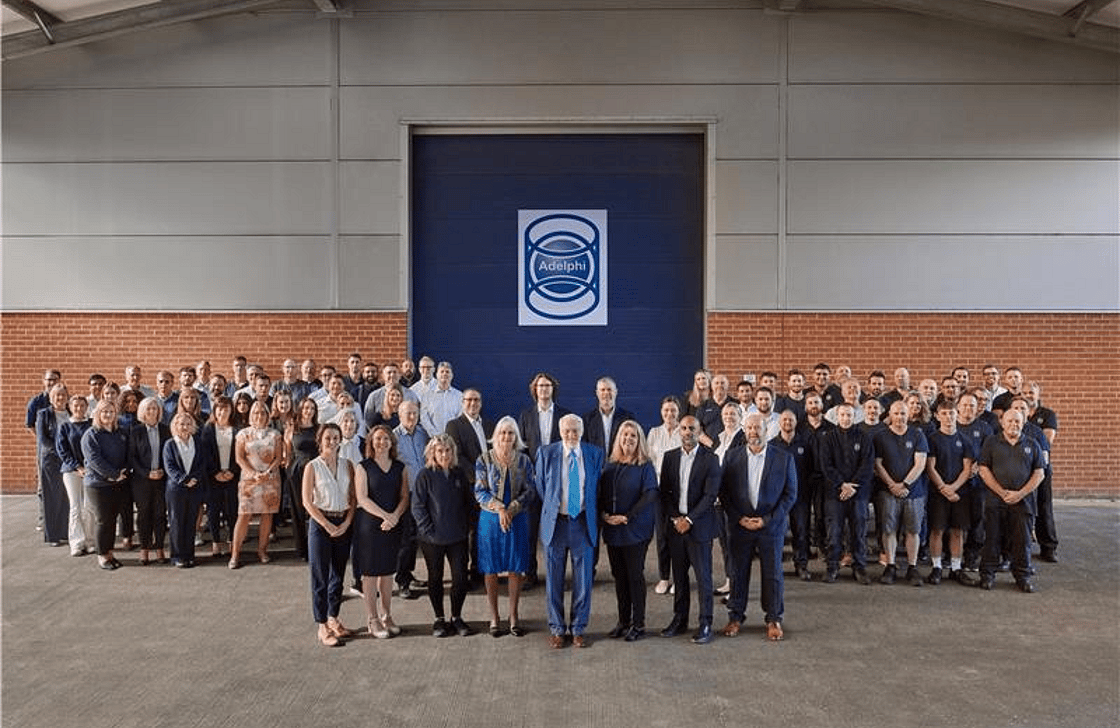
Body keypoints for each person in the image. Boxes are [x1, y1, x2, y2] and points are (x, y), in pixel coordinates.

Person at [720, 413, 798, 641]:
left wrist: (767, 520)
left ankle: (774, 618)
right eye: (750, 428)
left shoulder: (783, 458)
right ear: (744, 430)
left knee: (773, 574)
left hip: (770, 526)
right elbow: (723, 492)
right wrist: (738, 517)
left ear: (767, 430)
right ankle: (735, 616)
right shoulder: (732, 456)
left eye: (758, 428)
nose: (753, 432)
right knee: (737, 572)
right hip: (740, 525)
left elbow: (790, 495)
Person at [534, 414, 604, 648]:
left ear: (581, 432)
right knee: (554, 579)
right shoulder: (546, 453)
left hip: (582, 523)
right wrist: (557, 509)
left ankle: (578, 628)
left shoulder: (594, 454)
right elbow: (543, 488)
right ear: (560, 431)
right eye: (567, 431)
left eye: (575, 431)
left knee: (583, 580)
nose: (571, 435)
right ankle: (557, 628)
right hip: (556, 524)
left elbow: (597, 489)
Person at [658, 415, 721, 645]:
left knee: (704, 578)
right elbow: (664, 493)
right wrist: (676, 518)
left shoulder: (711, 459)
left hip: (699, 527)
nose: (687, 432)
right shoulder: (670, 458)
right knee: (680, 577)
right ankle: (680, 619)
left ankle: (706, 622)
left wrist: (690, 520)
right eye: (683, 428)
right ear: (679, 431)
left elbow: (710, 495)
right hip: (676, 528)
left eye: (692, 428)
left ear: (700, 431)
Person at [474, 416, 536, 638]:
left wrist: (512, 509)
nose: (506, 437)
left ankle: (513, 615)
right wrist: (500, 509)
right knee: (490, 568)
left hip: (517, 518)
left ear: (516, 437)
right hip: (490, 520)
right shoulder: (484, 459)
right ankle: (494, 616)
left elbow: (531, 490)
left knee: (515, 567)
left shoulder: (524, 461)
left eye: (511, 433)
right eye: (503, 433)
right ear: (496, 435)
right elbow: (479, 491)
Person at [598, 420, 658, 642]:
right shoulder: (610, 465)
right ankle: (623, 622)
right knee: (619, 577)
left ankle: (639, 624)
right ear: (618, 439)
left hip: (635, 530)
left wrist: (628, 516)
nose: (628, 439)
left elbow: (650, 494)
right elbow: (601, 495)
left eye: (633, 436)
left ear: (639, 440)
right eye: (625, 435)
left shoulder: (645, 466)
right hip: (613, 530)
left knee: (634, 577)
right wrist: (604, 515)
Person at [412, 434, 475, 638]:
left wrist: (467, 526)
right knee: (435, 578)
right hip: (432, 539)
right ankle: (439, 619)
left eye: (448, 450)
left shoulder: (459, 474)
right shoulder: (424, 475)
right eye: (440, 450)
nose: (444, 454)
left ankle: (456, 617)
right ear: (432, 453)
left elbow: (469, 503)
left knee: (460, 578)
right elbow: (418, 507)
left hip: (457, 537)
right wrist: (429, 530)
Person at [977, 408, 1045, 592]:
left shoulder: (1032, 444)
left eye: (1018, 421)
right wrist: (1001, 492)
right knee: (992, 539)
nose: (1014, 424)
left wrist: (1020, 494)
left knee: (1022, 541)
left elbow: (1039, 473)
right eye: (1010, 421)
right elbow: (983, 470)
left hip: (1023, 503)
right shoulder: (991, 442)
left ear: (1023, 423)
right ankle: (987, 575)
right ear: (1002, 422)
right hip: (995, 501)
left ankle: (1022, 577)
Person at [302, 423, 357, 646]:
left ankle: (333, 618)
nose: (332, 442)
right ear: (320, 440)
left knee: (338, 574)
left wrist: (346, 523)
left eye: (336, 438)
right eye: (328, 438)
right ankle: (322, 625)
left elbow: (353, 498)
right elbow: (307, 500)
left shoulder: (348, 465)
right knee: (320, 576)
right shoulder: (312, 467)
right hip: (320, 523)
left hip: (343, 521)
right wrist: (326, 524)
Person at [354, 425, 410, 639]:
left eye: (386, 438)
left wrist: (394, 516)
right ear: (371, 442)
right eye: (378, 438)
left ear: (391, 443)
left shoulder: (400, 467)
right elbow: (362, 498)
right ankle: (372, 619)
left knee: (387, 573)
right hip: (370, 526)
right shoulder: (363, 467)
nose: (382, 442)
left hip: (392, 525)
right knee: (370, 574)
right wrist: (386, 516)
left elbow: (404, 496)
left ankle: (386, 615)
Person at [517, 371, 571, 589]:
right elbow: (521, 450)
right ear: (534, 390)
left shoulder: (564, 415)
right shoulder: (526, 416)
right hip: (532, 483)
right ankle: (530, 573)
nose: (544, 389)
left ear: (553, 389)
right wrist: (530, 474)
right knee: (530, 531)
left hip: (558, 484)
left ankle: (556, 575)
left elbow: (570, 448)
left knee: (556, 532)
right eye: (540, 386)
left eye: (547, 385)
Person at [874, 401, 930, 586]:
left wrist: (904, 484)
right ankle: (890, 565)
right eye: (896, 413)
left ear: (908, 415)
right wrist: (892, 485)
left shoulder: (917, 435)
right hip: (887, 492)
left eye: (903, 414)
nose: (899, 417)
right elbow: (878, 464)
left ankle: (912, 567)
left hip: (913, 492)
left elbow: (920, 463)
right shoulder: (880, 436)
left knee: (913, 530)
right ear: (890, 414)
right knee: (889, 529)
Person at [819, 403, 874, 584]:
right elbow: (826, 466)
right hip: (834, 493)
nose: (846, 418)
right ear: (837, 416)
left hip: (858, 493)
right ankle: (832, 566)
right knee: (834, 531)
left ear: (855, 416)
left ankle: (860, 567)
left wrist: (852, 486)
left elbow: (867, 465)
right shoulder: (828, 438)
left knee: (858, 531)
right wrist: (842, 484)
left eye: (849, 415)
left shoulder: (864, 437)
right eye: (842, 415)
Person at [924, 399, 977, 585]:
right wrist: (943, 488)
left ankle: (956, 568)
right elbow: (930, 467)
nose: (948, 417)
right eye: (944, 414)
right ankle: (937, 567)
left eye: (952, 414)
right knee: (937, 530)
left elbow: (967, 468)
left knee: (957, 531)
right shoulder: (931, 439)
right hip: (938, 492)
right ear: (938, 416)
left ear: (957, 415)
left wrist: (953, 488)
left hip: (959, 493)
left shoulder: (965, 440)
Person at [445, 388, 493, 585]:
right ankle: (464, 574)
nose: (473, 404)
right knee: (469, 531)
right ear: (462, 403)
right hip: (469, 486)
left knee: (484, 531)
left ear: (481, 403)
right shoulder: (454, 425)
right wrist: (480, 478)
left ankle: (480, 570)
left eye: (476, 400)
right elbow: (458, 456)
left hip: (490, 487)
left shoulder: (489, 425)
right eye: (469, 400)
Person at [231, 401, 286, 568]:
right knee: (244, 515)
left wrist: (267, 472)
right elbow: (239, 458)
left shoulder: (275, 434)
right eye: (255, 412)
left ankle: (262, 551)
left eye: (263, 412)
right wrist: (254, 473)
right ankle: (235, 554)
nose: (259, 415)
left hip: (270, 479)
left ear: (268, 415)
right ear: (250, 415)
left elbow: (278, 457)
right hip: (249, 480)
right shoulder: (242, 434)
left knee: (267, 514)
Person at [81, 400, 130, 570]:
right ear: (97, 414)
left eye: (111, 412)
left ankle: (110, 553)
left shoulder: (120, 433)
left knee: (111, 520)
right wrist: (113, 475)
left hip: (117, 484)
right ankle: (102, 556)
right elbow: (95, 460)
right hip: (98, 484)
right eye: (104, 412)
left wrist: (122, 473)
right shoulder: (91, 435)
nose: (108, 415)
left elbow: (127, 455)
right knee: (103, 520)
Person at [392, 400, 428, 600]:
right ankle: (402, 581)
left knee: (416, 537)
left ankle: (409, 573)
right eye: (408, 414)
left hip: (423, 494)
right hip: (405, 494)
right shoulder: (394, 437)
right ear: (400, 415)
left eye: (415, 413)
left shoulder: (423, 434)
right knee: (405, 538)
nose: (412, 417)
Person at [646, 395, 682, 595]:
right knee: (662, 536)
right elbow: (649, 462)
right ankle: (664, 577)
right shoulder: (654, 433)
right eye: (666, 410)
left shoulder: (684, 432)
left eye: (673, 410)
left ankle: (679, 577)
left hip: (679, 491)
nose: (670, 414)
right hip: (659, 492)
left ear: (679, 412)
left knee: (679, 536)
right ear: (661, 412)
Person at [128, 397, 170, 565]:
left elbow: (170, 454)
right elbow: (132, 458)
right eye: (149, 409)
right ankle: (144, 549)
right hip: (141, 480)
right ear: (143, 412)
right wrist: (147, 473)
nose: (152, 411)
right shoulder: (135, 431)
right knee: (144, 515)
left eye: (155, 408)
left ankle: (160, 548)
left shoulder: (166, 430)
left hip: (161, 479)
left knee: (160, 515)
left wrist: (163, 471)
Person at [163, 412, 206, 568]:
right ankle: (177, 556)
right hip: (176, 489)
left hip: (194, 488)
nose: (185, 427)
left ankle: (189, 554)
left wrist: (194, 478)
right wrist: (184, 479)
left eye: (188, 424)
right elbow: (170, 467)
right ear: (175, 426)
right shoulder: (170, 444)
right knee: (177, 522)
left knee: (190, 522)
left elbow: (202, 463)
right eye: (181, 424)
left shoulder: (197, 442)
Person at [201, 396, 240, 558]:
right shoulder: (209, 429)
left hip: (232, 476)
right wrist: (215, 472)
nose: (222, 412)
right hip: (213, 477)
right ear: (214, 411)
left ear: (231, 410)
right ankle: (216, 542)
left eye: (226, 408)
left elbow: (241, 453)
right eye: (219, 409)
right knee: (213, 510)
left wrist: (232, 470)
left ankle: (232, 541)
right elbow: (205, 454)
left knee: (232, 510)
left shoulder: (237, 429)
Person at [1024, 382, 1059, 562]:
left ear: (1038, 394)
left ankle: (1048, 547)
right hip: (1019, 469)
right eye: (1025, 392)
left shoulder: (1047, 414)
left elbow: (1046, 439)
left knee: (1044, 506)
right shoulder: (1017, 413)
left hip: (1040, 467)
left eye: (1032, 392)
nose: (1028, 395)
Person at [56, 394, 95, 556]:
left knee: (90, 508)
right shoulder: (64, 427)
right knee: (75, 507)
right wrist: (77, 467)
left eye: (82, 405)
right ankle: (77, 543)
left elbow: (95, 447)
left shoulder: (92, 425)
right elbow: (62, 451)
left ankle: (90, 541)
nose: (79, 408)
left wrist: (89, 467)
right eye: (75, 406)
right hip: (71, 472)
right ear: (70, 408)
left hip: (90, 471)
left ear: (87, 407)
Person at [35, 383, 70, 546]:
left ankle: (64, 532)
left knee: (65, 498)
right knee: (52, 498)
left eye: (63, 395)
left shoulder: (71, 413)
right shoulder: (44, 414)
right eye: (57, 395)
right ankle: (53, 536)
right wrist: (63, 453)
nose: (60, 398)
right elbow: (44, 440)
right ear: (51, 398)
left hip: (69, 463)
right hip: (51, 462)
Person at [285, 397, 320, 561]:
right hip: (297, 471)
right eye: (305, 407)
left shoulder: (320, 429)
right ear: (300, 410)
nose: (308, 411)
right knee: (298, 509)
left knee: (316, 507)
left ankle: (317, 545)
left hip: (316, 470)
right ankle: (302, 549)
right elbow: (287, 451)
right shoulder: (293, 428)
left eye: (312, 408)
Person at [583, 376, 636, 454]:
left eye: (609, 389)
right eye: (603, 390)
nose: (606, 393)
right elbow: (584, 447)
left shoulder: (627, 417)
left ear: (616, 392)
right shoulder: (587, 419)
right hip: (595, 465)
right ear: (597, 393)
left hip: (620, 464)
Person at [420, 361, 462, 437]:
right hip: (433, 439)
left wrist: (452, 434)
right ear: (436, 375)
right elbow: (424, 418)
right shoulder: (427, 396)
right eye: (442, 371)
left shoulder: (459, 396)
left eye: (447, 372)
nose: (444, 374)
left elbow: (460, 418)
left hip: (453, 438)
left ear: (452, 375)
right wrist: (436, 435)